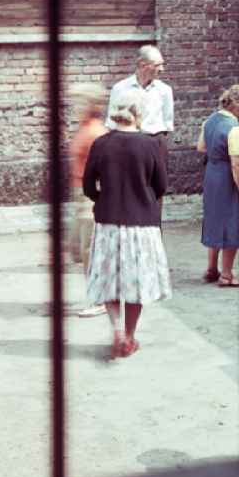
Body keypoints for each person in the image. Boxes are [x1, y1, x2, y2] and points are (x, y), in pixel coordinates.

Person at [84, 88, 172, 358]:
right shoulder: (150, 145)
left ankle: (117, 330)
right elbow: (161, 186)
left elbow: (88, 185)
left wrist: (102, 198)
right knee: (137, 283)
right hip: (142, 224)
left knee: (110, 280)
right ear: (139, 113)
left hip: (109, 221)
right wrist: (144, 199)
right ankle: (131, 336)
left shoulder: (101, 143)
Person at [197, 84, 239, 287]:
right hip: (227, 177)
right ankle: (227, 274)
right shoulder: (235, 129)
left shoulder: (209, 120)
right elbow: (237, 165)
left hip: (211, 174)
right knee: (231, 222)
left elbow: (201, 147)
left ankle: (212, 268)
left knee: (214, 219)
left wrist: (216, 149)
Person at [67, 82, 108, 318]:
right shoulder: (84, 127)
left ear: (90, 105)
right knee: (80, 249)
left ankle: (100, 299)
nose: (74, 106)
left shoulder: (96, 133)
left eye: (79, 101)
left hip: (91, 195)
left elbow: (105, 169)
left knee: (90, 250)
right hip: (79, 194)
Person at [106, 45, 173, 178]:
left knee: (157, 184)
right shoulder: (120, 88)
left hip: (155, 142)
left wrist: (158, 143)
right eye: (158, 65)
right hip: (128, 144)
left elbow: (167, 121)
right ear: (143, 65)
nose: (162, 69)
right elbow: (112, 122)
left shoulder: (165, 90)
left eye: (162, 65)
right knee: (131, 182)